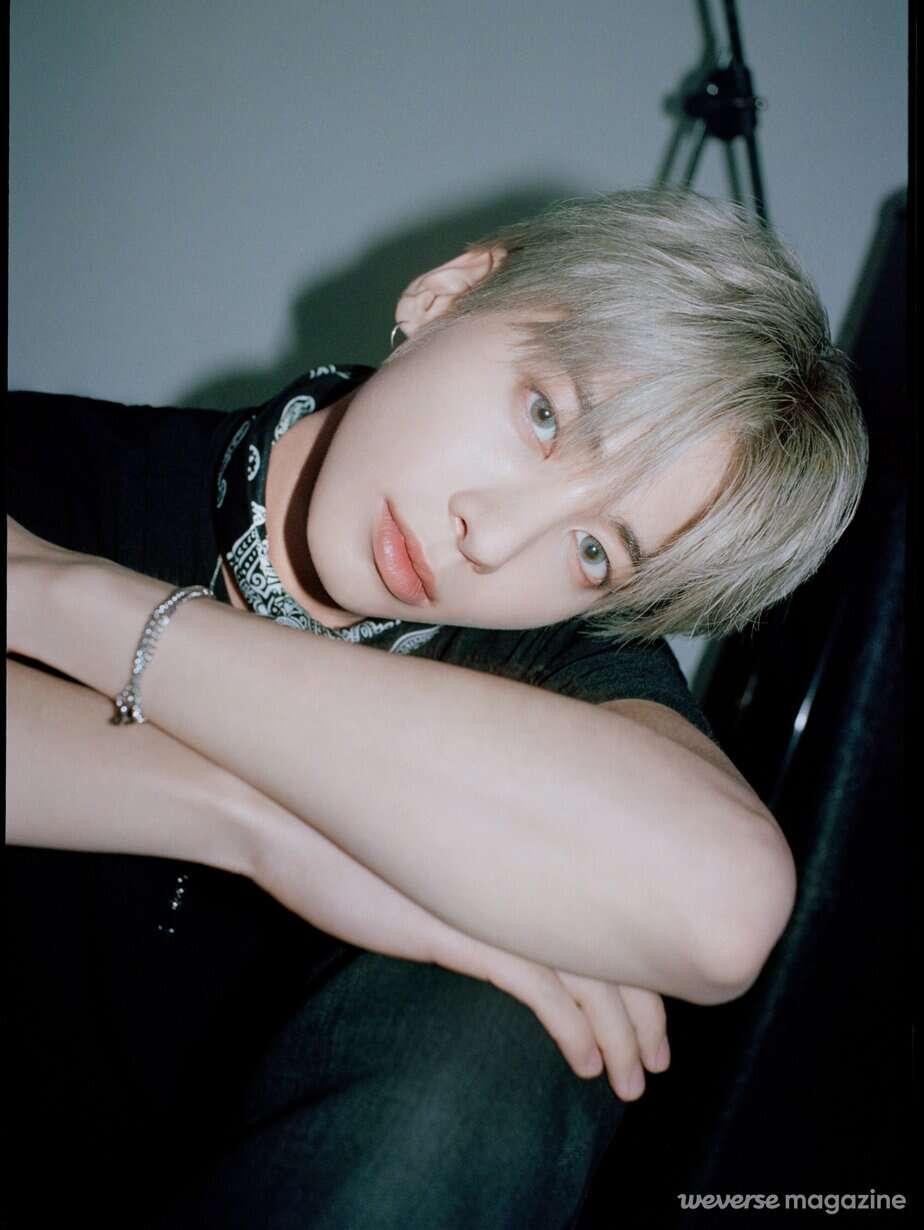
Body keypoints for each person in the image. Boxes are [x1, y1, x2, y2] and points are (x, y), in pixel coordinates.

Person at [6, 189, 867, 1229]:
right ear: (449, 292)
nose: (493, 541)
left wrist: (73, 603)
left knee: (518, 1012)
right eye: (546, 416)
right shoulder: (48, 463)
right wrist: (270, 822)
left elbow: (723, 903)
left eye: (595, 553)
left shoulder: (555, 665)